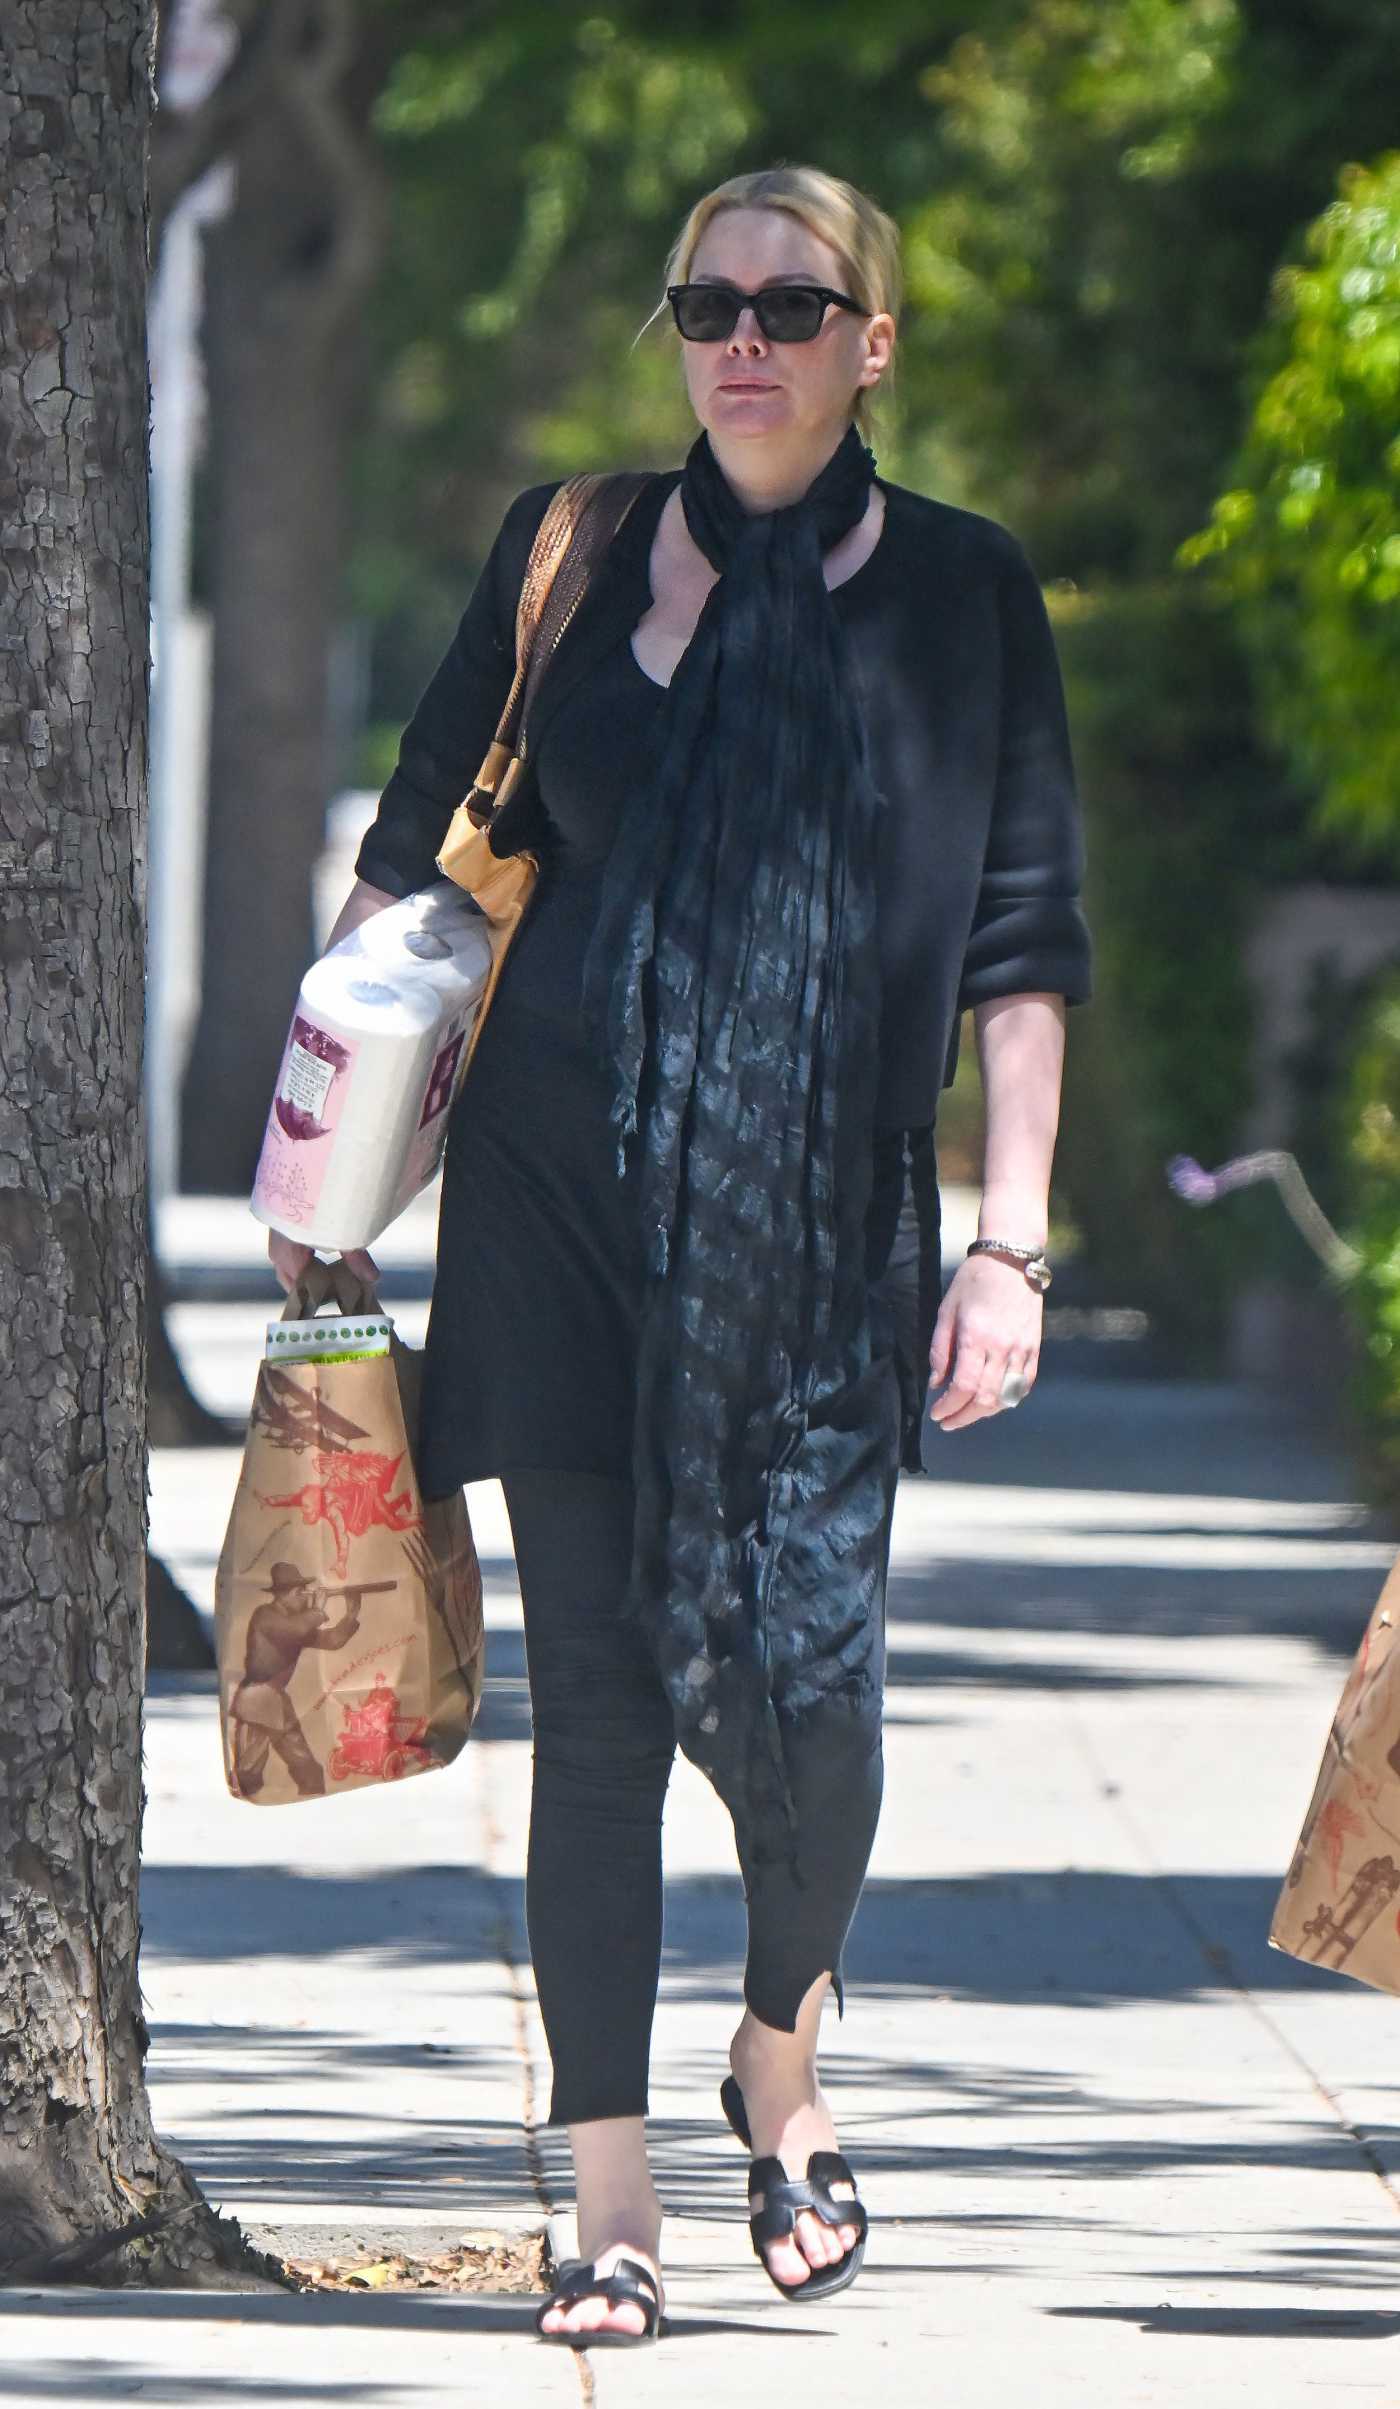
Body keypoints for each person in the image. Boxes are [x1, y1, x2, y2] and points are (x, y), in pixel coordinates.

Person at [270, 163, 1092, 2346]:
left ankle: (780, 2054)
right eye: (707, 301)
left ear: (868, 341)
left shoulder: (959, 594)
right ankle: (610, 2188)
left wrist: (1007, 1239)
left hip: (819, 1225)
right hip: (556, 1195)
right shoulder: (566, 549)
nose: (743, 337)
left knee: (813, 1693)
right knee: (607, 1699)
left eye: (792, 303)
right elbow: (414, 851)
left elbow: (1021, 941)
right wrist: (315, 1178)